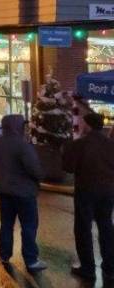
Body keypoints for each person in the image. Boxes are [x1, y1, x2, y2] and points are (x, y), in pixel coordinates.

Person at [0, 114, 46, 271]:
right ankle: (31, 259)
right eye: (22, 126)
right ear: (17, 127)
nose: (24, 129)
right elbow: (34, 169)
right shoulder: (22, 145)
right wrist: (41, 176)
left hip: (3, 190)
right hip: (24, 192)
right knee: (28, 226)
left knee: (6, 224)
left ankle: (4, 254)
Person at [62, 112, 114, 282]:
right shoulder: (110, 144)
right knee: (106, 227)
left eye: (83, 123)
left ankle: (88, 268)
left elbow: (68, 167)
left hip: (86, 191)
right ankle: (110, 267)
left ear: (88, 125)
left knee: (83, 229)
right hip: (107, 192)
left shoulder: (79, 144)